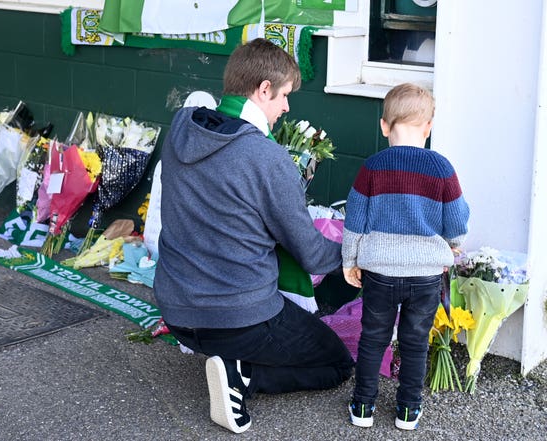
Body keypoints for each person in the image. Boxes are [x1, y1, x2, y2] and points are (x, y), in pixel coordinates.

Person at [153, 38, 354, 434]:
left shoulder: (181, 127)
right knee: (337, 364)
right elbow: (311, 254)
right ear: (263, 89)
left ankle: (229, 362)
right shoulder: (268, 158)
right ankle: (242, 375)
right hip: (236, 318)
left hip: (176, 311)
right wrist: (360, 254)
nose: (287, 107)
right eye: (283, 96)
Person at [341, 82, 470, 431]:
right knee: (415, 342)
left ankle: (363, 406)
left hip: (380, 273)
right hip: (426, 276)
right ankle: (408, 410)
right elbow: (456, 220)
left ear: (384, 126)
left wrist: (349, 261)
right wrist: (452, 242)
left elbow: (355, 219)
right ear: (428, 128)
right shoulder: (442, 168)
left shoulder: (372, 167)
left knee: (374, 338)